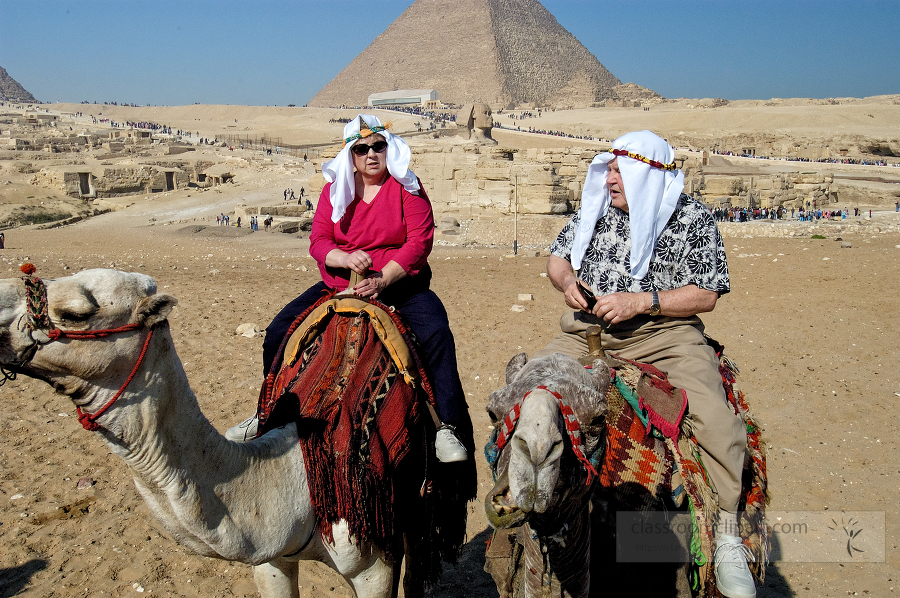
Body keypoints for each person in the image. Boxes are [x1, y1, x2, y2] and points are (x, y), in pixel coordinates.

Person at [534, 131, 755, 598]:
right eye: (608, 170)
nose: (608, 179)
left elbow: (707, 293)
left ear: (643, 175)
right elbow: (557, 259)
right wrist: (568, 281)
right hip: (586, 330)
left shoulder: (689, 217)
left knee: (714, 416)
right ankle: (528, 506)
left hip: (664, 335)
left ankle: (729, 534)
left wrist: (643, 302)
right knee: (532, 395)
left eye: (617, 171)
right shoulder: (594, 211)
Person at [226, 114, 471, 464]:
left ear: (389, 148)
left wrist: (384, 278)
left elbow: (419, 241)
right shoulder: (335, 191)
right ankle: (266, 411)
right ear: (350, 155)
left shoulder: (407, 188)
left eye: (378, 146)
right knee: (279, 332)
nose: (371, 154)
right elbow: (319, 240)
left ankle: (448, 425)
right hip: (341, 286)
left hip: (399, 284)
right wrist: (342, 257)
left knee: (436, 334)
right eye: (361, 149)